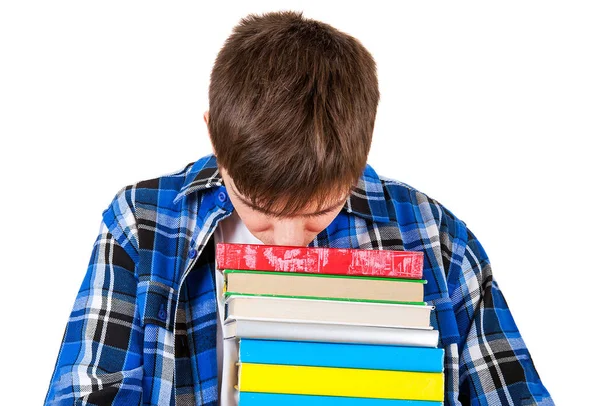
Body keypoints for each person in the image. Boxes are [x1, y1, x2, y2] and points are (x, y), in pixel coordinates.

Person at [44, 10, 553, 406]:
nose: (288, 246)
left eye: (319, 212)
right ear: (215, 140)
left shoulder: (439, 241)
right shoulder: (142, 224)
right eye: (259, 209)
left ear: (360, 160)